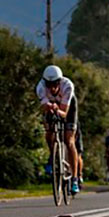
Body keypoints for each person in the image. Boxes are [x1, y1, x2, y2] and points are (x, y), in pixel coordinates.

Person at [36, 65, 81, 195]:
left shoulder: (68, 86)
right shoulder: (40, 88)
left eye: (55, 84)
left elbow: (64, 113)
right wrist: (50, 107)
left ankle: (75, 179)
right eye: (49, 84)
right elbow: (44, 109)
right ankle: (53, 156)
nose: (52, 87)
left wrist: (56, 108)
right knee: (48, 133)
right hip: (52, 106)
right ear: (45, 83)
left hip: (68, 107)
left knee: (69, 140)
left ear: (59, 81)